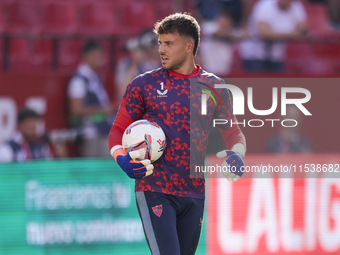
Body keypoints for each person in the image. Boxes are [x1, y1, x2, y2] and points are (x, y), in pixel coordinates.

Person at [108, 13, 246, 254]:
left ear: (189, 46)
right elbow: (117, 131)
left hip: (195, 191)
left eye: (169, 43)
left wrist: (238, 154)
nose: (161, 49)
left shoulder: (214, 87)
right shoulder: (143, 85)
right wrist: (122, 159)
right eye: (160, 43)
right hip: (155, 188)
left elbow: (234, 133)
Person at [67, 40, 114, 158]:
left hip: (103, 131)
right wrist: (102, 110)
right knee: (95, 169)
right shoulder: (79, 80)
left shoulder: (95, 77)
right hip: (90, 133)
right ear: (85, 56)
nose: (99, 59)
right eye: (95, 55)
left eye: (100, 55)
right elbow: (76, 109)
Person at [240, 0, 308, 72]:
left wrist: (274, 34)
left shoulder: (296, 5)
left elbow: (304, 31)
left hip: (277, 56)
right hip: (255, 55)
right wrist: (291, 33)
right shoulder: (265, 5)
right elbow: (263, 33)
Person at [115, 30, 160, 101]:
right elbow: (123, 93)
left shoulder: (161, 65)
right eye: (154, 43)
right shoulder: (126, 64)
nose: (157, 47)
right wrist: (135, 64)